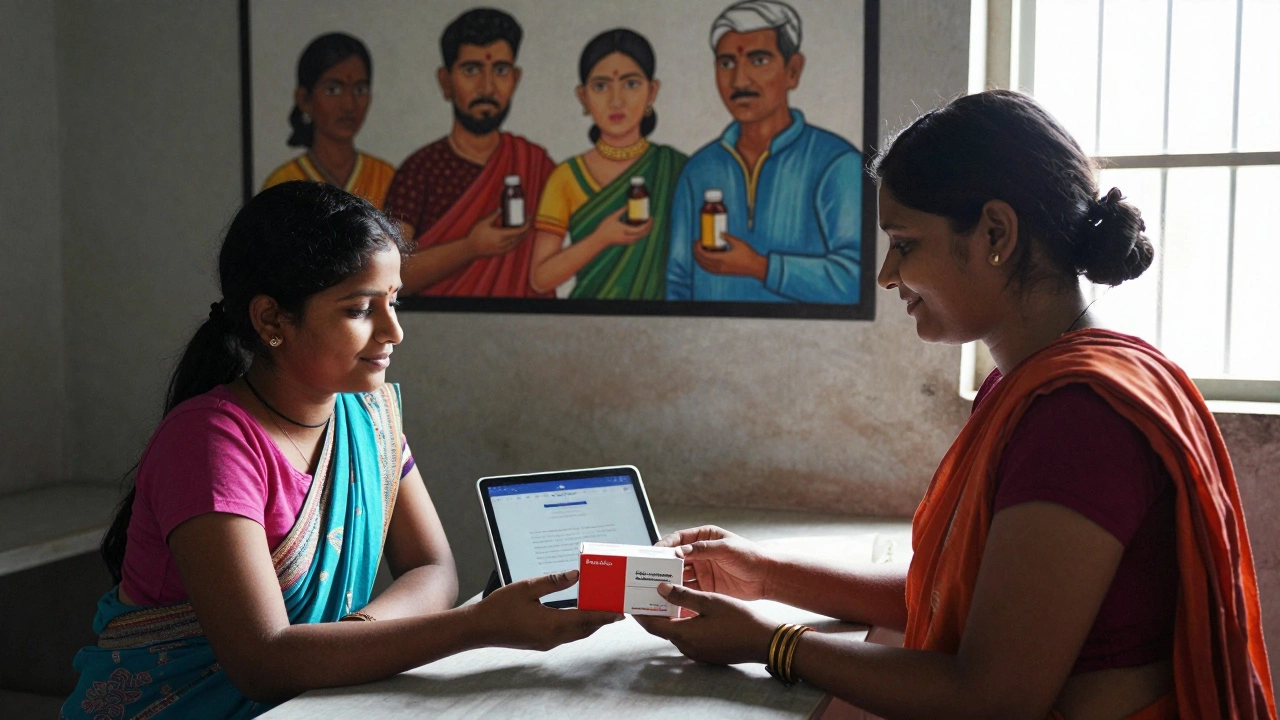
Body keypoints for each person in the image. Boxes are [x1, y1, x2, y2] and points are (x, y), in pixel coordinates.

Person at [638, 90, 1275, 719]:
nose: (887, 274)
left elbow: (990, 697)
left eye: (906, 243)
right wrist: (763, 572)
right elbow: (950, 597)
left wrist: (769, 641)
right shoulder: (1031, 385)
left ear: (995, 233)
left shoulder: (1080, 418)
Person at [63, 182, 621, 719]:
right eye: (359, 310)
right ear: (272, 319)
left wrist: (354, 637)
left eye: (395, 301)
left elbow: (434, 567)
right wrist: (475, 626)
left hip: (318, 702)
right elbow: (262, 662)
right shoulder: (210, 443)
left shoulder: (369, 416)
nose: (394, 331)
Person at [665, 0, 863, 304]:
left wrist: (761, 267)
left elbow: (856, 282)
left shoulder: (836, 164)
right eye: (727, 63)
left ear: (793, 70)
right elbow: (677, 282)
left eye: (758, 60)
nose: (739, 80)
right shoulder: (699, 170)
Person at [384, 8, 555, 297]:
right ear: (445, 81)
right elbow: (387, 273)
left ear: (515, 79)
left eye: (500, 70)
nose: (487, 86)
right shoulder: (421, 170)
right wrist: (470, 247)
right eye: (471, 70)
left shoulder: (536, 165)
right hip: (438, 333)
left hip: (527, 332)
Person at [528, 29, 686, 300]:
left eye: (631, 84)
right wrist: (600, 239)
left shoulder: (676, 169)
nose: (616, 100)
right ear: (583, 97)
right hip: (587, 324)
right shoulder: (566, 177)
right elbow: (541, 279)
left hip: (660, 325)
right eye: (601, 86)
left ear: (652, 92)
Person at [261, 33, 396, 209]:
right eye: (333, 90)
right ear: (304, 100)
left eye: (360, 89)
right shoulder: (282, 183)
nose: (349, 104)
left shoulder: (385, 178)